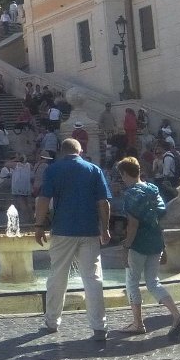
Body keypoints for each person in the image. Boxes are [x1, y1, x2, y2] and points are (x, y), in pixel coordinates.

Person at [34, 138, 111, 344]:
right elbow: (103, 203)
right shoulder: (94, 170)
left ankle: (52, 321)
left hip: (63, 229)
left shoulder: (53, 169)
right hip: (89, 229)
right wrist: (105, 228)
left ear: (61, 151)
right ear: (81, 151)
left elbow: (43, 200)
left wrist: (39, 225)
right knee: (93, 278)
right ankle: (99, 326)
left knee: (58, 276)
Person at [114, 157, 180, 339]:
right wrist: (162, 244)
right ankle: (176, 315)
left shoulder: (131, 193)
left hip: (138, 243)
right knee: (153, 282)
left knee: (131, 282)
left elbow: (133, 224)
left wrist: (126, 246)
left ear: (124, 173)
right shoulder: (152, 189)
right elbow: (160, 215)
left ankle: (138, 323)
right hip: (155, 240)